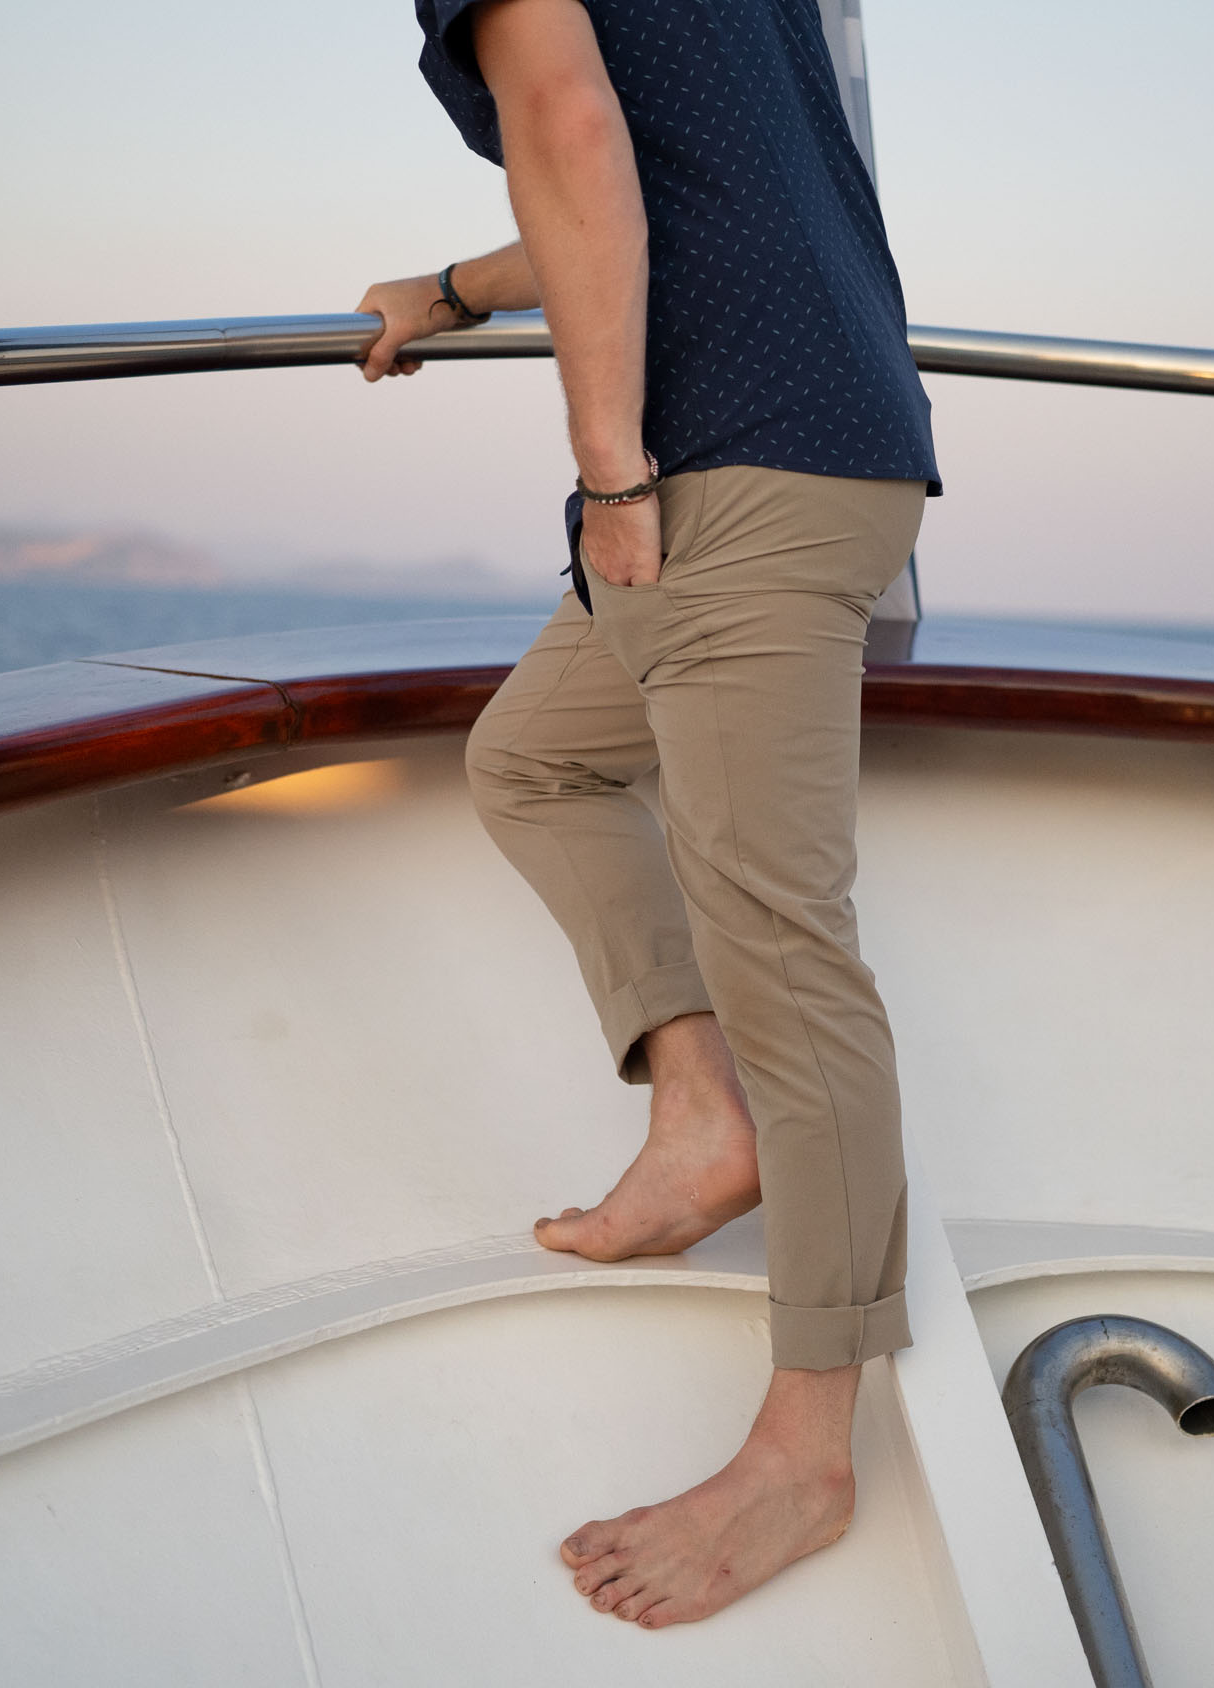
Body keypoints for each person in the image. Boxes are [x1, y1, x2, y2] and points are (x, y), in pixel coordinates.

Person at [353, 0, 939, 1631]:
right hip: (816, 438)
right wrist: (456, 288)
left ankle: (808, 1452)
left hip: (731, 474)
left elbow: (575, 139)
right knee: (531, 760)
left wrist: (612, 473)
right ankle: (702, 1118)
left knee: (788, 960)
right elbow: (680, 182)